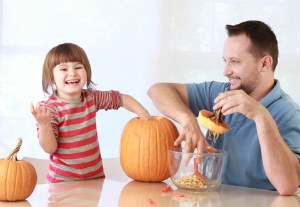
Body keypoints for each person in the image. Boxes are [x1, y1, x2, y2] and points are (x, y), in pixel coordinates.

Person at [147, 20, 300, 195]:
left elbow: (288, 186)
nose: (226, 71)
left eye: (234, 61)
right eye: (225, 60)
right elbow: (157, 90)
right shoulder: (221, 92)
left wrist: (261, 116)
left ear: (264, 64)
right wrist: (186, 119)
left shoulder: (289, 114)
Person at [30, 43, 151, 183]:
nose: (72, 73)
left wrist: (143, 113)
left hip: (94, 179)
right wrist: (44, 125)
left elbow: (121, 99)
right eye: (63, 69)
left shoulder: (91, 98)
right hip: (63, 182)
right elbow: (50, 148)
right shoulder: (50, 109)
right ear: (51, 78)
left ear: (86, 72)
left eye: (78, 67)